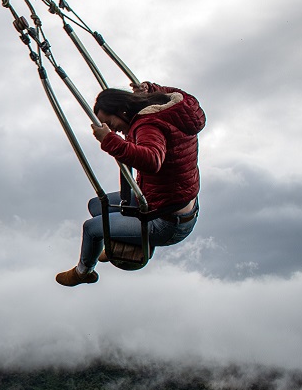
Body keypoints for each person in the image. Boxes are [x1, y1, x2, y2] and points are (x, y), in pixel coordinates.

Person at [56, 81, 206, 287]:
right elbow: (182, 95)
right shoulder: (173, 110)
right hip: (168, 201)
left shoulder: (147, 125)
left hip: (167, 222)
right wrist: (151, 88)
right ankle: (125, 235)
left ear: (122, 110)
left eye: (110, 122)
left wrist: (109, 140)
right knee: (96, 205)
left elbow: (151, 160)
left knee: (91, 228)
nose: (114, 130)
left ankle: (84, 272)